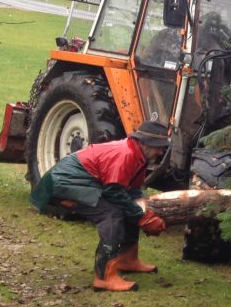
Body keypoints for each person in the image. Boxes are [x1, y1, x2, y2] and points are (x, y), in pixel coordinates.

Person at [30, 121, 170, 292]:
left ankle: (127, 258)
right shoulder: (126, 154)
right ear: (144, 143)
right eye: (158, 147)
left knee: (131, 207)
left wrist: (144, 213)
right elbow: (114, 192)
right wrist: (143, 218)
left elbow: (132, 192)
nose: (160, 151)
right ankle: (104, 276)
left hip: (87, 181)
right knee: (111, 214)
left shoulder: (140, 156)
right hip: (65, 182)